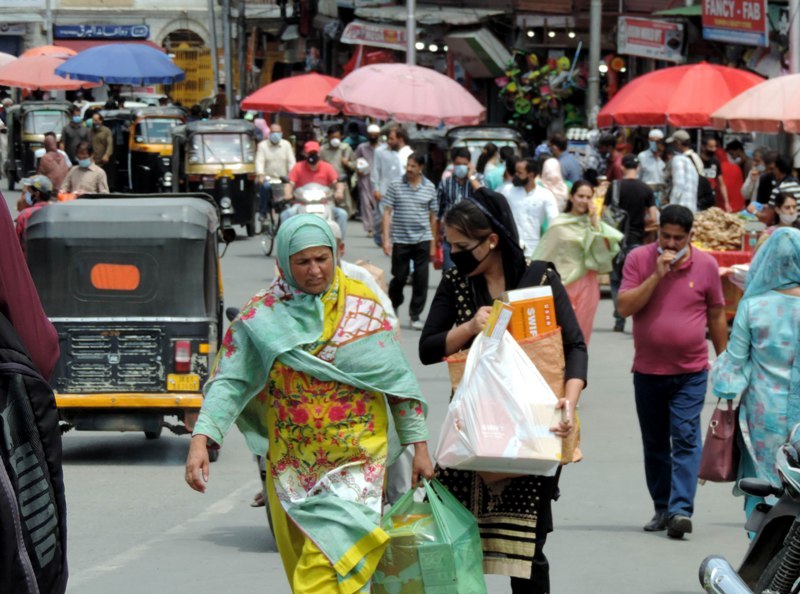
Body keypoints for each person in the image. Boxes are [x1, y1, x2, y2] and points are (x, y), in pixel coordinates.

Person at [186, 215, 433, 593]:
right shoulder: (261, 315)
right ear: (284, 263)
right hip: (292, 466)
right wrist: (202, 438)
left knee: (322, 568)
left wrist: (420, 448)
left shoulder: (364, 310)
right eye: (302, 262)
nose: (315, 270)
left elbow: (397, 384)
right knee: (313, 564)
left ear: (336, 256)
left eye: (322, 259)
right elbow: (230, 381)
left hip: (358, 461)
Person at [419, 188, 587, 594]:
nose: (453, 253)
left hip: (533, 431)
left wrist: (569, 401)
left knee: (527, 550)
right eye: (450, 245)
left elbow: (575, 347)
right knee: (457, 539)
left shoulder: (540, 279)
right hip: (472, 431)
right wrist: (469, 328)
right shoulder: (458, 282)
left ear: (491, 240)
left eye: (462, 246)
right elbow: (427, 348)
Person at [617, 204, 728, 539]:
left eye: (678, 239)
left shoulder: (706, 264)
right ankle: (662, 507)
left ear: (690, 236)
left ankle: (681, 510)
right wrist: (656, 276)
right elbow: (624, 306)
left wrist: (724, 360)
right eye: (665, 236)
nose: (670, 244)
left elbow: (717, 314)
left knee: (685, 437)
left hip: (691, 372)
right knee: (654, 444)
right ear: (658, 232)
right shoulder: (639, 259)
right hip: (648, 371)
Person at [710, 227, 800, 520]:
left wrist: (725, 383)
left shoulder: (753, 307)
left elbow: (730, 372)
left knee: (762, 492)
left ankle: (761, 549)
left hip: (761, 420)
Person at [533, 180, 623, 344]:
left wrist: (595, 223)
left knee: (581, 336)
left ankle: (576, 370)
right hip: (562, 285)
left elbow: (603, 256)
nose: (584, 200)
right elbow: (542, 255)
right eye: (580, 196)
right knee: (559, 337)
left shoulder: (595, 225)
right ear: (572, 197)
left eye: (588, 197)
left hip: (588, 286)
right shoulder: (559, 224)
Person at [381, 152, 438, 331]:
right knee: (399, 276)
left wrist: (433, 243)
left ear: (421, 168)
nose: (409, 169)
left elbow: (433, 217)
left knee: (421, 279)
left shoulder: (429, 187)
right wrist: (386, 238)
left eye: (413, 166)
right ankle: (394, 305)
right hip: (400, 239)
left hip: (422, 238)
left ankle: (415, 315)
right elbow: (387, 212)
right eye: (408, 165)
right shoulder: (396, 185)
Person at [608, 154, 658, 333]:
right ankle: (638, 316)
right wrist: (642, 228)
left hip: (615, 241)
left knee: (615, 280)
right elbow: (653, 217)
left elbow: (605, 216)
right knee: (637, 280)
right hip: (637, 241)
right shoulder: (646, 189)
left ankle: (619, 317)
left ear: (622, 167)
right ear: (637, 168)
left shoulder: (614, 187)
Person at [284, 140, 347, 237]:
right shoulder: (298, 167)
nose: (312, 156)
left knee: (342, 214)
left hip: (325, 203)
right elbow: (290, 183)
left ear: (319, 153)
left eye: (314, 153)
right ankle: (287, 244)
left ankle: (339, 244)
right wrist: (288, 194)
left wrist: (339, 191)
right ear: (305, 154)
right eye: (310, 153)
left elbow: (336, 182)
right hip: (301, 203)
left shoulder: (327, 167)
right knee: (286, 214)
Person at [503, 157, 559, 258]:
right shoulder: (507, 191)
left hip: (535, 250)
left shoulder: (545, 195)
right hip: (511, 248)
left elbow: (554, 221)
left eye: (519, 173)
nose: (515, 175)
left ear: (531, 175)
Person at [437, 147, 481, 269]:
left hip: (472, 236)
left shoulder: (478, 180)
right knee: (449, 272)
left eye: (464, 164)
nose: (461, 167)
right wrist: (437, 236)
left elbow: (484, 195)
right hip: (450, 237)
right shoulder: (446, 183)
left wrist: (472, 177)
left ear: (470, 164)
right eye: (458, 164)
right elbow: (438, 211)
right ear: (453, 164)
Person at [371, 127, 411, 246]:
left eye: (392, 139)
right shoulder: (380, 152)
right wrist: (376, 188)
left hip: (402, 192)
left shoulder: (408, 154)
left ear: (400, 139)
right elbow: (376, 171)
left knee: (394, 219)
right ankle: (380, 236)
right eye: (388, 138)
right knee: (382, 217)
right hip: (385, 190)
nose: (389, 141)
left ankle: (390, 240)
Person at [255, 123, 296, 222]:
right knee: (265, 187)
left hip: (283, 179)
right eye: (273, 132)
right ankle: (263, 212)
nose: (275, 135)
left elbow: (291, 162)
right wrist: (260, 174)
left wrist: (292, 177)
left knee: (289, 196)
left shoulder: (286, 145)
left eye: (278, 132)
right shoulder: (262, 146)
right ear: (269, 133)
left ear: (281, 134)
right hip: (268, 179)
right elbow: (259, 161)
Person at [319, 124, 356, 216]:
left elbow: (355, 165)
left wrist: (347, 163)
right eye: (332, 137)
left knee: (343, 209)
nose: (334, 140)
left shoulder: (346, 149)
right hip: (327, 184)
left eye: (337, 137)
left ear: (341, 137)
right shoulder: (322, 150)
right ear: (328, 137)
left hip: (342, 183)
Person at [353, 124, 382, 236]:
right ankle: (369, 228)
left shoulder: (382, 148)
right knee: (366, 204)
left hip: (378, 179)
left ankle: (378, 227)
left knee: (378, 204)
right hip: (365, 179)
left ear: (378, 135)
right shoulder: (362, 147)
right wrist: (357, 168)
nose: (373, 136)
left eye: (375, 135)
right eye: (371, 135)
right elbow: (355, 160)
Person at [15, 175, 53, 250]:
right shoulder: (56, 212)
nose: (27, 194)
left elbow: (16, 244)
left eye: (29, 191)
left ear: (37, 194)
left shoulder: (25, 215)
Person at [665, 129, 699, 211]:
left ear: (678, 143)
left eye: (673, 143)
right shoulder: (695, 157)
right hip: (691, 205)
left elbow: (679, 185)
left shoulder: (679, 159)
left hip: (681, 206)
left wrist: (672, 206)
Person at [700, 136, 730, 212]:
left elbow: (721, 183)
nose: (714, 149)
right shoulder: (697, 160)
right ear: (703, 147)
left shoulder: (715, 161)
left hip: (711, 197)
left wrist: (726, 203)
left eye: (715, 147)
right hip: (699, 197)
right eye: (711, 147)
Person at [637, 129, 666, 202]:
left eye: (658, 141)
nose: (655, 143)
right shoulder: (642, 156)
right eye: (652, 141)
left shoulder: (665, 157)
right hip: (646, 194)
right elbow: (638, 176)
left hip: (662, 195)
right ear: (649, 141)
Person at [90, 112, 114, 189]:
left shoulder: (106, 131)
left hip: (103, 160)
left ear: (101, 121)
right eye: (93, 120)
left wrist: (107, 154)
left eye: (96, 120)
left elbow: (110, 144)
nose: (95, 122)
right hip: (93, 159)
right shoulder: (90, 131)